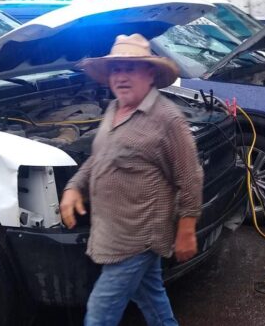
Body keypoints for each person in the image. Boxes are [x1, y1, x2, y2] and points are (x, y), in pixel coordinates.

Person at [59, 34, 203, 326]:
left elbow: (190, 176)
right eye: (116, 69)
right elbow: (101, 157)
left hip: (137, 237)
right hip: (114, 231)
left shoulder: (167, 119)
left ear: (150, 73)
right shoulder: (115, 109)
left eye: (130, 68)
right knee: (152, 300)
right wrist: (74, 187)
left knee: (99, 315)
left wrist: (187, 229)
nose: (121, 77)